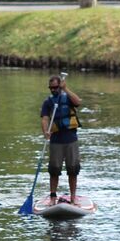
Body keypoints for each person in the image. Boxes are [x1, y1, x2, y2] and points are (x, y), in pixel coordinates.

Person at [41, 75, 82, 205]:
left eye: (56, 87)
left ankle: (73, 197)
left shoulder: (67, 98)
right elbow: (45, 118)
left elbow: (78, 102)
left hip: (71, 139)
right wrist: (45, 131)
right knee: (54, 170)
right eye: (51, 88)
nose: (53, 90)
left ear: (60, 86)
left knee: (73, 169)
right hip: (56, 141)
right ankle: (53, 197)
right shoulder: (48, 102)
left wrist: (66, 89)